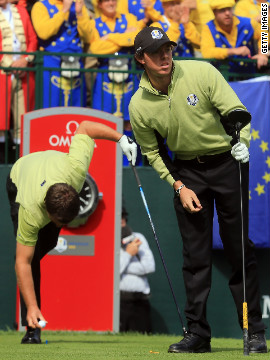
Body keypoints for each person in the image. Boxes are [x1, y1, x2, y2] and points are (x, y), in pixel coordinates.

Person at [129, 26, 267, 353]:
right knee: (195, 256)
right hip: (188, 172)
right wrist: (178, 186)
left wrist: (241, 143)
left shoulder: (201, 71)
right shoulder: (138, 105)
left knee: (239, 249)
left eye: (168, 48)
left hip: (227, 161)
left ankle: (253, 331)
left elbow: (236, 114)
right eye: (156, 51)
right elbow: (152, 152)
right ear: (141, 58)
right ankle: (198, 334)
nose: (165, 56)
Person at [6, 121, 137, 344]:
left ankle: (32, 318)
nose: (64, 225)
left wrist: (121, 138)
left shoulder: (76, 171)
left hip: (52, 168)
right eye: (58, 222)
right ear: (47, 213)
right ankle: (32, 327)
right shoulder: (30, 211)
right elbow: (22, 263)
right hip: (19, 177)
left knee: (40, 248)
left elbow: (85, 127)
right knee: (31, 257)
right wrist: (32, 306)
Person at [31, 0, 93, 108]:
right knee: (51, 106)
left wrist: (79, 14)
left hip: (76, 64)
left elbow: (88, 37)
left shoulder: (78, 5)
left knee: (76, 106)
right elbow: (43, 33)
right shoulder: (40, 6)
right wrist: (64, 10)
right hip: (51, 64)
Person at [0, 0, 37, 160]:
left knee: (22, 120)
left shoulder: (21, 11)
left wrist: (26, 60)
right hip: (2, 73)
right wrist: (10, 64)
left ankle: (19, 161)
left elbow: (32, 39)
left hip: (23, 73)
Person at [201, 0, 269, 74]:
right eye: (222, 10)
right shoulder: (208, 27)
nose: (227, 13)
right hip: (222, 76)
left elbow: (264, 33)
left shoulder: (247, 23)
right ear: (214, 13)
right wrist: (233, 51)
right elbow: (207, 52)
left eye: (229, 9)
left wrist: (262, 53)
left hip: (247, 76)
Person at [120, 206, 155, 333]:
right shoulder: (109, 240)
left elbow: (149, 266)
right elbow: (112, 271)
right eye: (118, 217)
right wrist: (128, 254)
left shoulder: (137, 237)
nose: (121, 221)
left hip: (140, 301)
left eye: (123, 217)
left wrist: (123, 266)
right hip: (119, 303)